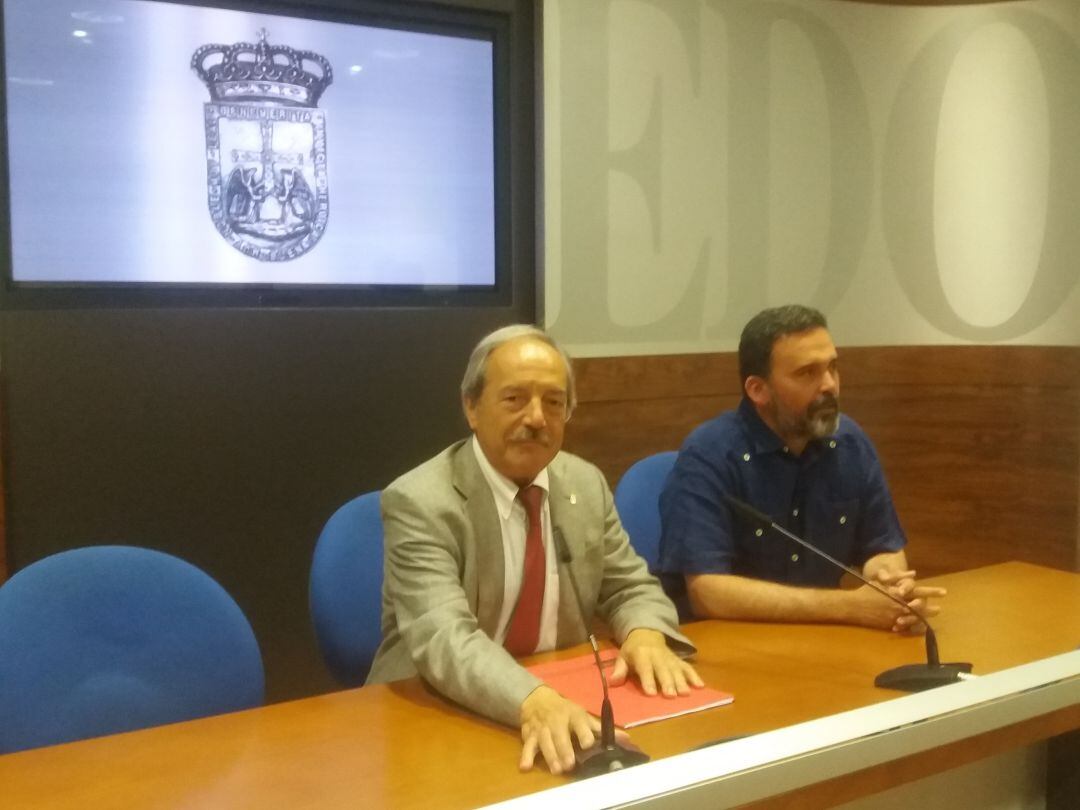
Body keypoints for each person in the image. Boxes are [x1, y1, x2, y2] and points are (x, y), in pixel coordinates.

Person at [366, 325, 702, 775]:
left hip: (561, 698)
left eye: (554, 402)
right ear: (471, 407)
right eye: (514, 399)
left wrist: (645, 631)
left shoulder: (584, 483)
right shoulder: (420, 501)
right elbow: (443, 639)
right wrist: (532, 701)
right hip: (437, 706)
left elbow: (629, 587)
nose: (536, 418)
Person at [657, 305, 945, 632]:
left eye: (833, 368)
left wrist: (890, 585)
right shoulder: (710, 454)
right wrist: (850, 607)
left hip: (823, 638)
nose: (829, 385)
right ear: (758, 390)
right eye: (807, 373)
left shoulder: (850, 443)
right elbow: (707, 592)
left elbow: (882, 548)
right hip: (729, 645)